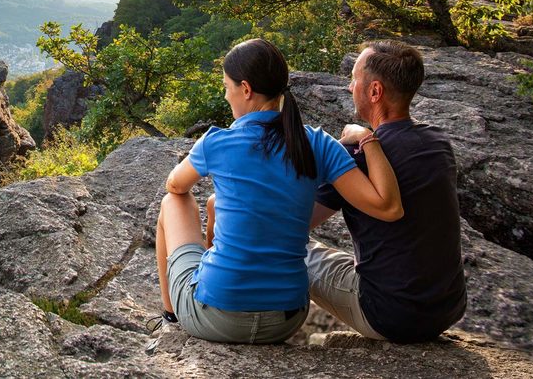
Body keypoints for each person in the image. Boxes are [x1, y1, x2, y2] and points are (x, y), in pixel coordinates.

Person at [152, 38, 403, 346]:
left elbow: (174, 185)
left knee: (173, 203)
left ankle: (170, 317)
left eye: (226, 86)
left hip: (216, 318)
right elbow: (387, 206)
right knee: (215, 203)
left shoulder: (217, 141)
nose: (226, 94)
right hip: (285, 320)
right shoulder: (318, 143)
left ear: (245, 89)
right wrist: (367, 139)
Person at [307, 41, 467, 342]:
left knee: (285, 246)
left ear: (375, 92)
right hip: (447, 307)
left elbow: (296, 225)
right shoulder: (438, 142)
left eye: (354, 79)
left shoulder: (354, 154)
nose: (348, 86)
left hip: (388, 314)